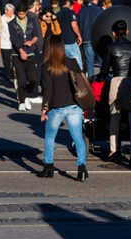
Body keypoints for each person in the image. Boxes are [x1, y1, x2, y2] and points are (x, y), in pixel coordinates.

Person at [39, 35, 88, 181]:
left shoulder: (46, 66)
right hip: (74, 105)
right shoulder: (71, 62)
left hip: (56, 107)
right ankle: (82, 168)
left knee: (49, 137)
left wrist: (44, 109)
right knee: (78, 137)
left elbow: (48, 90)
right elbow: (80, 81)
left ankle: (49, 167)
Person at [97, 19, 131, 168]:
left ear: (113, 33)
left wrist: (98, 77)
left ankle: (113, 150)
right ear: (127, 32)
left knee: (114, 117)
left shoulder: (110, 47)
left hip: (117, 81)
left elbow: (104, 71)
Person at [9, 3, 40, 111]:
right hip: (17, 54)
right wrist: (21, 51)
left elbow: (36, 35)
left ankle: (26, 95)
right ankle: (21, 101)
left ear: (26, 12)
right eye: (19, 14)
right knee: (21, 79)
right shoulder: (12, 23)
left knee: (33, 79)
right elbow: (14, 39)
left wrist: (31, 42)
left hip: (31, 53)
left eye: (23, 14)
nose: (21, 16)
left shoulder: (31, 21)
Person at [77, 0, 101, 78]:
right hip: (98, 37)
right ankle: (103, 79)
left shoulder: (82, 10)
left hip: (86, 37)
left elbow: (79, 24)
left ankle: (91, 81)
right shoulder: (99, 9)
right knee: (101, 59)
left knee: (89, 61)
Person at [55, 0, 82, 70]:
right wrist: (79, 36)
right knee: (77, 64)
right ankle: (79, 79)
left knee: (65, 65)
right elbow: (74, 25)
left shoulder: (57, 14)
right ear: (68, 2)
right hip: (71, 42)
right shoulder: (70, 12)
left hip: (61, 43)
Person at [0, 3, 14, 82]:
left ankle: (13, 72)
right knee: (6, 60)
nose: (11, 13)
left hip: (14, 42)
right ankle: (8, 74)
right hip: (4, 43)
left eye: (12, 11)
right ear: (6, 11)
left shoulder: (15, 18)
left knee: (14, 59)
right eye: (10, 12)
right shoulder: (1, 19)